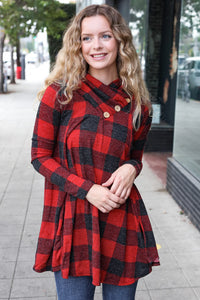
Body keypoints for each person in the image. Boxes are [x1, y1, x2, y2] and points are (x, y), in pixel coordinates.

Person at [31, 4, 160, 300]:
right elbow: (39, 156)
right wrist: (88, 190)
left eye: (105, 36)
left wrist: (131, 168)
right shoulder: (60, 95)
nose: (96, 46)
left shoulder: (138, 103)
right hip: (73, 219)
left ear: (120, 41)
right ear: (78, 45)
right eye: (87, 38)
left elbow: (135, 156)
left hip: (119, 216)